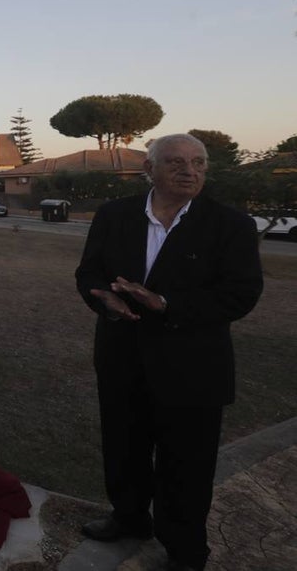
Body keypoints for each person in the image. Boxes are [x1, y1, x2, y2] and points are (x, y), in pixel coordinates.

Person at [75, 133, 263, 571]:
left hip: (194, 367)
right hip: (122, 358)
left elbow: (241, 294)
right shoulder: (114, 215)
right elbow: (89, 272)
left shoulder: (231, 225)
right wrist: (104, 299)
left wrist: (167, 304)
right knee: (124, 448)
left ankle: (184, 549)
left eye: (198, 163)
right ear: (149, 169)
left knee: (188, 464)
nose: (189, 171)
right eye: (176, 162)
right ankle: (129, 517)